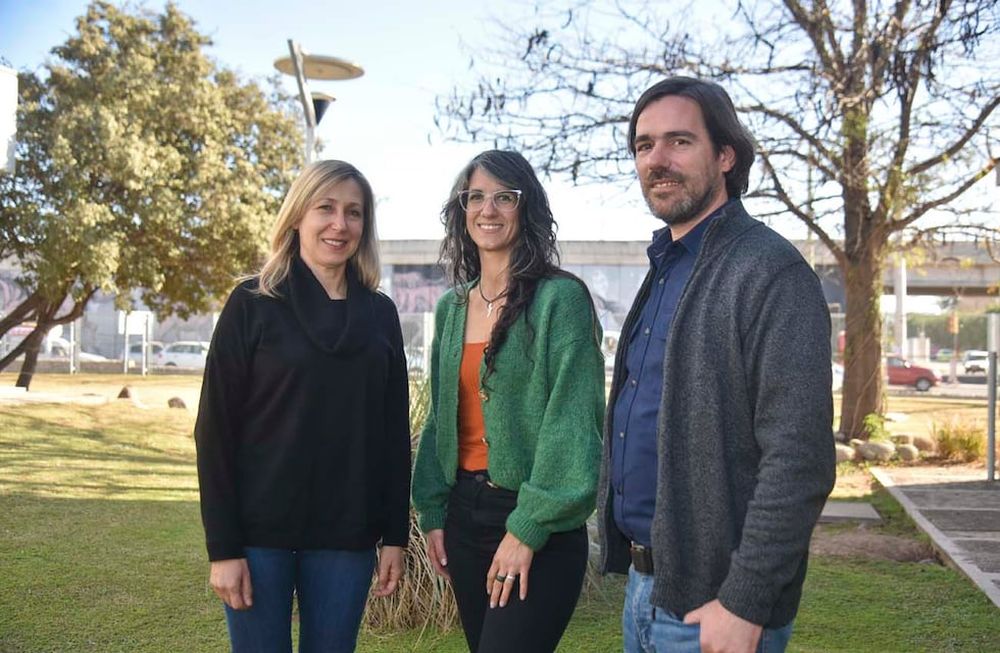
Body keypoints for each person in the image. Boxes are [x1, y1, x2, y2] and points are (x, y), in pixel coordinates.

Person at [598, 77, 836, 653]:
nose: (657, 159)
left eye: (679, 141)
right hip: (644, 588)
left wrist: (745, 602)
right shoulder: (665, 266)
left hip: (716, 609)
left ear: (725, 155)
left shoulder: (769, 271)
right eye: (643, 144)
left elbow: (799, 456)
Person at [194, 160, 410, 653]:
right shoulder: (252, 302)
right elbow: (214, 432)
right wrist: (223, 548)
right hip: (258, 536)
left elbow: (392, 436)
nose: (340, 224)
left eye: (354, 213)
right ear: (297, 217)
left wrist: (394, 535)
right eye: (326, 208)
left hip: (346, 539)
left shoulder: (380, 315)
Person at [411, 150, 605, 653]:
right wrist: (433, 511)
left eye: (504, 197)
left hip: (536, 521)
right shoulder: (452, 307)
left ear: (527, 208)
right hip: (463, 518)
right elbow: (441, 419)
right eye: (476, 197)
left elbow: (572, 424)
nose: (488, 209)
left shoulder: (560, 300)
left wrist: (526, 528)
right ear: (462, 209)